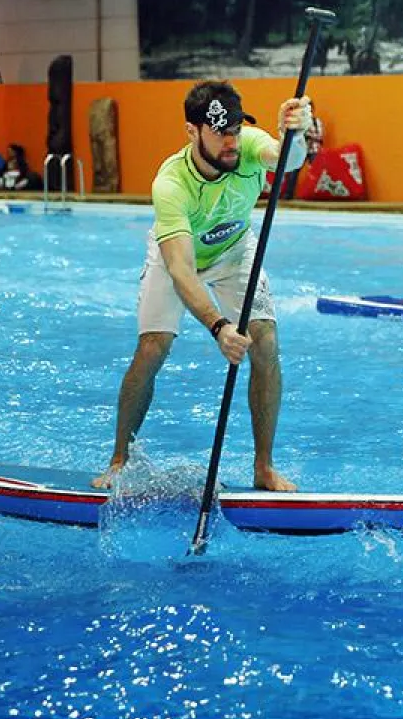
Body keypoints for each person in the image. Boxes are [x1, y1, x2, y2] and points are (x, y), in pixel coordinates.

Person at [91, 80, 313, 493]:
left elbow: (288, 159)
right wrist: (218, 326)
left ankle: (263, 468)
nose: (230, 140)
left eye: (234, 127)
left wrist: (297, 132)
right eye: (219, 131)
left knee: (265, 342)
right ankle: (119, 460)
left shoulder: (247, 145)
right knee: (153, 347)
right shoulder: (171, 183)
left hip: (233, 252)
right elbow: (180, 271)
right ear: (192, 132)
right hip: (180, 257)